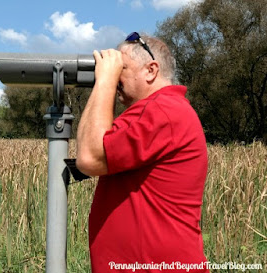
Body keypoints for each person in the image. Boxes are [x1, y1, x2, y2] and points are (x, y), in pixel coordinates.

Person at [76, 32, 209, 272]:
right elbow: (95, 147)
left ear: (151, 70)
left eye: (121, 68)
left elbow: (90, 157)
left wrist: (104, 80)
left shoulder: (163, 111)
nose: (115, 75)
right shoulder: (160, 111)